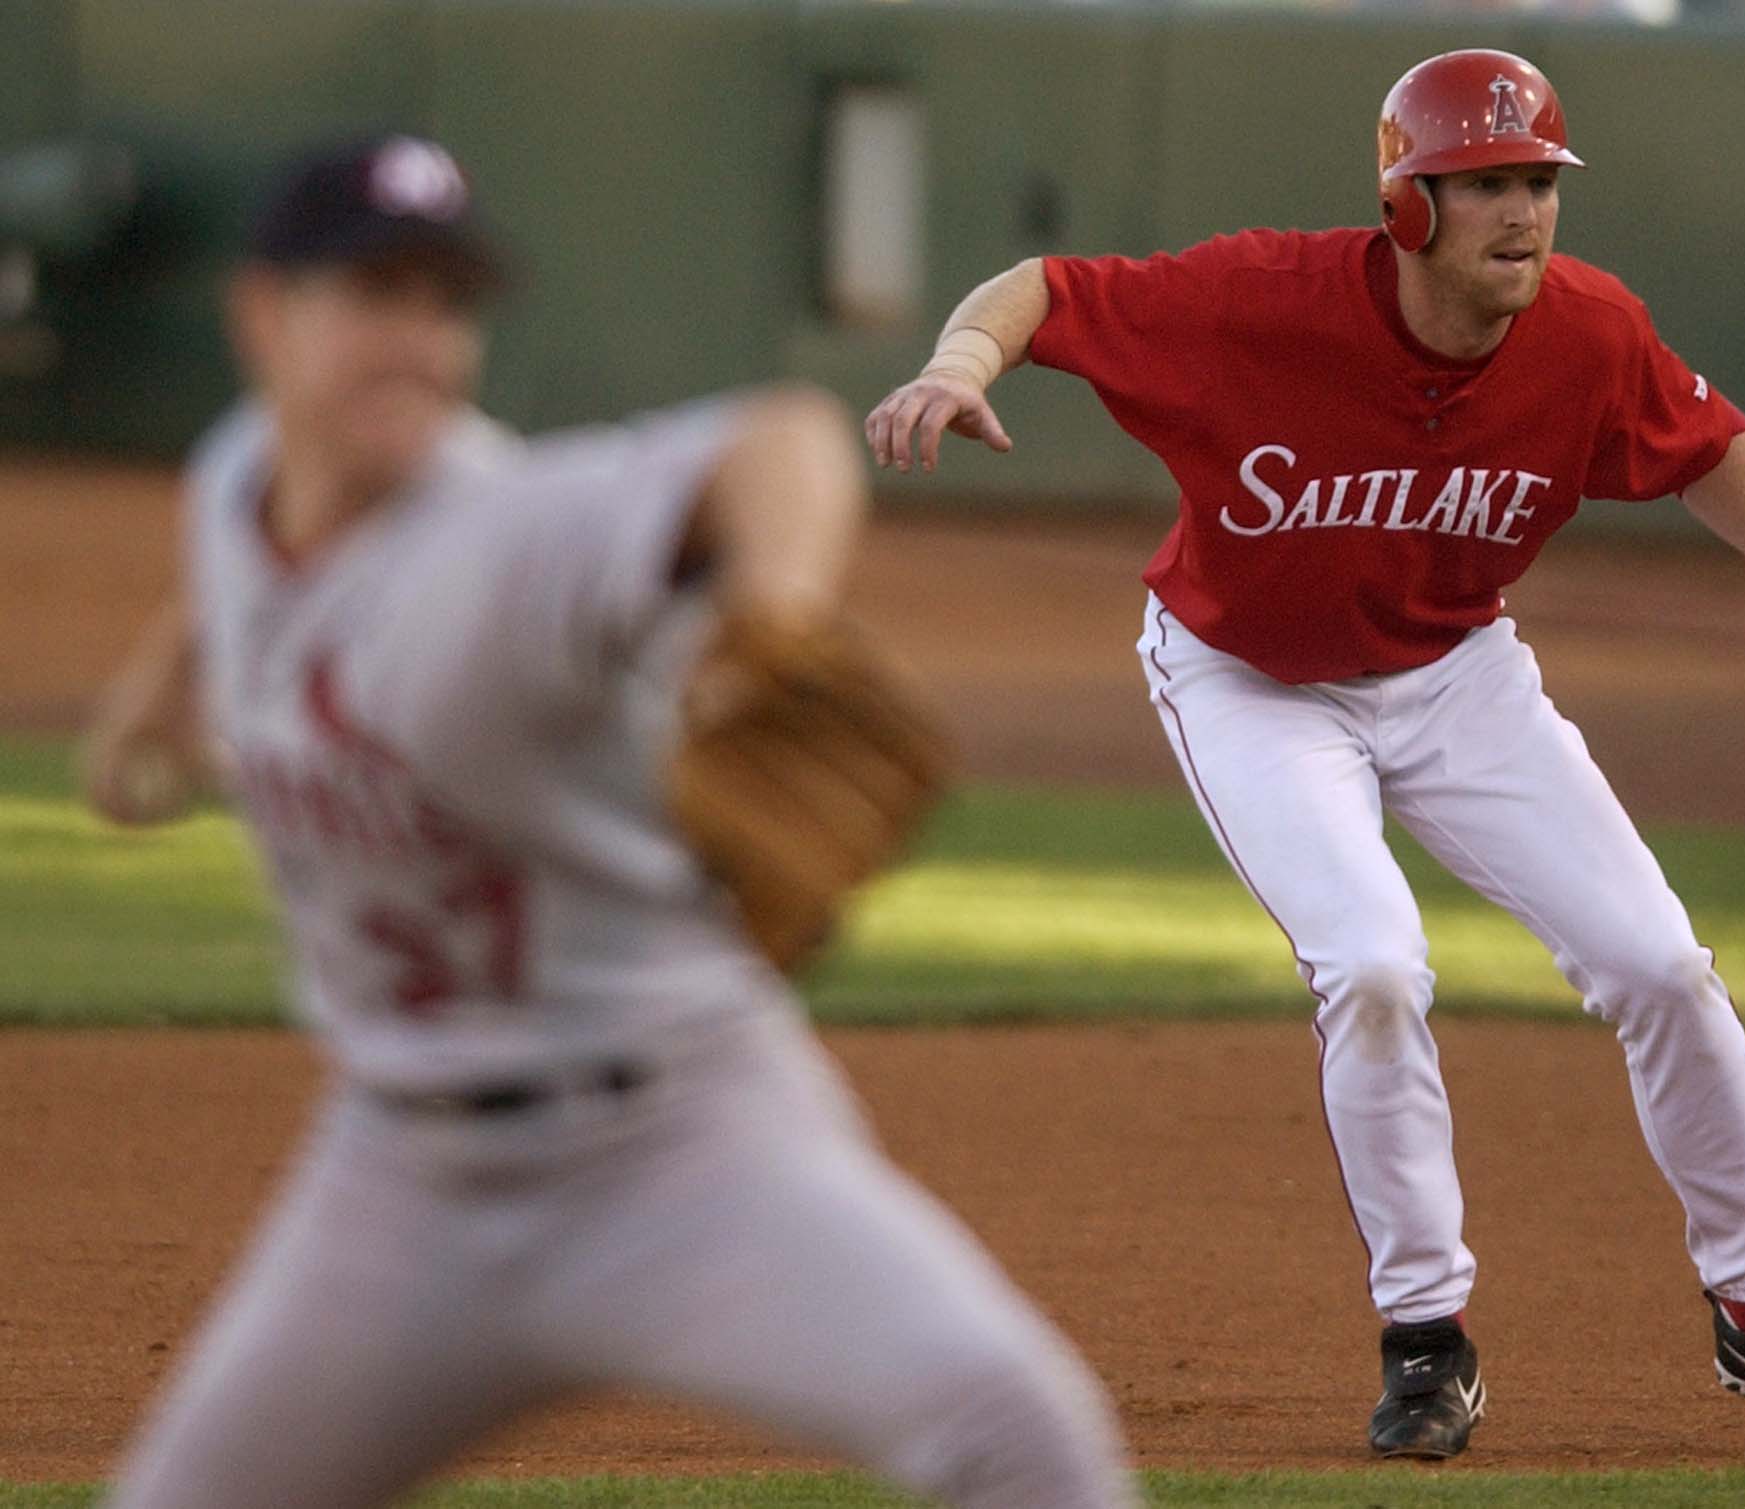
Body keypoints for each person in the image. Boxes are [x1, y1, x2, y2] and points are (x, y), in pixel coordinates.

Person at [866, 48, 1745, 1461]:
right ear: (1407, 207)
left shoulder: (1590, 330)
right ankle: (1429, 1339)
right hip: (1251, 680)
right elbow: (1047, 292)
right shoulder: (1261, 302)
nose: (1522, 212)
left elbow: (1708, 440)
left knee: (1662, 962)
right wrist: (954, 362)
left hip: (1455, 673)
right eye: (1482, 184)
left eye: (1537, 181)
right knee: (1372, 965)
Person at [86, 135, 1138, 1509]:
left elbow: (782, 443)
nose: (417, 337)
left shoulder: (507, 532)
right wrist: (161, 711)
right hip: (399, 1175)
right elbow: (238, 582)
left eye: (445, 302)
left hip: (674, 1142)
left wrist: (774, 615)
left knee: (1013, 1424)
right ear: (263, 317)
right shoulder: (234, 483)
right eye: (373, 293)